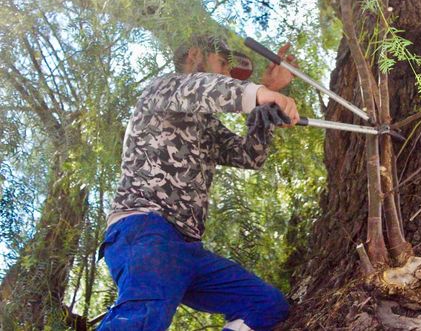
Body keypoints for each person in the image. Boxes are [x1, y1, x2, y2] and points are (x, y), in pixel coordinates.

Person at [97, 34, 300, 331]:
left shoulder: (206, 126)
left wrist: (268, 95)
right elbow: (203, 89)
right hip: (146, 230)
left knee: (266, 306)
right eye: (222, 63)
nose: (227, 74)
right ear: (194, 56)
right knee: (141, 321)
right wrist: (260, 92)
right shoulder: (164, 88)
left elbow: (249, 156)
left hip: (188, 249)